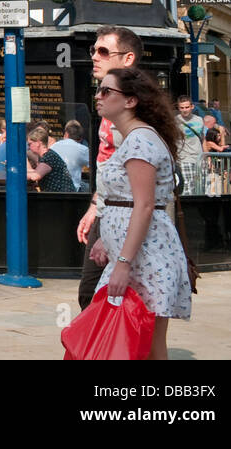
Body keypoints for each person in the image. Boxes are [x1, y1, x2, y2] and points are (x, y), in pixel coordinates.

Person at [89, 66, 193, 359]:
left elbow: (144, 204)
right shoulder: (135, 139)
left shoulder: (139, 141)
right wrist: (106, 240)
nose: (99, 96)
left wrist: (122, 262)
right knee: (135, 340)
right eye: (99, 90)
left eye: (106, 91)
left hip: (144, 258)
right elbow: (125, 202)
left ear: (130, 100)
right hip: (136, 255)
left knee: (146, 342)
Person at [75, 26, 144, 312]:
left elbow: (137, 184)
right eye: (93, 50)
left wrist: (110, 232)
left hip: (124, 215)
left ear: (127, 59)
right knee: (93, 297)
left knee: (98, 297)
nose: (94, 56)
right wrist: (95, 207)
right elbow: (108, 167)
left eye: (103, 51)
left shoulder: (133, 109)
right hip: (108, 211)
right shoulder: (110, 103)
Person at [27, 125, 74, 192]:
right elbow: (37, 171)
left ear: (38, 143)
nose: (28, 147)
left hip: (62, 198)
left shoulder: (48, 157)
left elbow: (35, 176)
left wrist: (15, 175)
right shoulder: (48, 155)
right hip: (61, 197)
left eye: (30, 144)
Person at [174, 96, 205, 193]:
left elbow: (203, 139)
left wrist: (206, 155)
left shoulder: (199, 120)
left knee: (200, 186)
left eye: (187, 107)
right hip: (184, 158)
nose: (184, 110)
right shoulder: (175, 121)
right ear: (178, 108)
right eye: (182, 108)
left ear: (192, 107)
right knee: (188, 186)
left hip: (199, 158)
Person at [53, 119, 91, 192]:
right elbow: (93, 168)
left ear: (66, 134)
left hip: (54, 187)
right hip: (73, 188)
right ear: (80, 138)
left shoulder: (54, 146)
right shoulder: (83, 149)